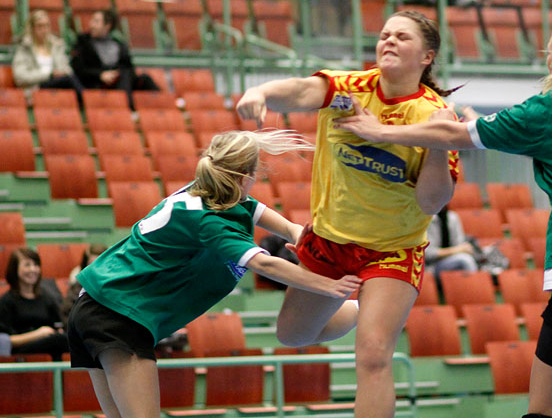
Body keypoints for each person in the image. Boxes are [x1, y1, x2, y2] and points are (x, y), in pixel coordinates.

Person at [337, 12, 552, 418]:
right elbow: (517, 132)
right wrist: (477, 120)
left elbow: (454, 137)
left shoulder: (547, 111)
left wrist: (379, 131)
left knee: (545, 414)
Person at [236, 10, 460, 418]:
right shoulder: (350, 92)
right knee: (292, 334)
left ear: (427, 56)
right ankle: (358, 310)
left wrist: (439, 143)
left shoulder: (434, 116)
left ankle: (376, 312)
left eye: (402, 37)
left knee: (374, 357)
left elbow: (432, 202)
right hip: (328, 241)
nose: (388, 40)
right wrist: (263, 92)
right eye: (384, 34)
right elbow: (303, 91)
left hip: (393, 251)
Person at [67, 130, 361, 418]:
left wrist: (303, 240)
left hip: (92, 306)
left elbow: (284, 226)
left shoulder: (211, 192)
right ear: (245, 177)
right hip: (117, 315)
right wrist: (329, 285)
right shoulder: (210, 221)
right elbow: (266, 265)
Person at [70, 10, 159, 110]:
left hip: (119, 79)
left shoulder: (118, 44)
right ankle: (127, 110)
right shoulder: (83, 42)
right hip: (97, 82)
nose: (91, 25)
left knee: (144, 78)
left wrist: (116, 74)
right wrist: (100, 75)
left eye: (96, 21)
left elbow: (129, 67)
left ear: (107, 26)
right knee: (124, 76)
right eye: (92, 20)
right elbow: (78, 68)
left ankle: (168, 109)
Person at [0, 248, 70, 361]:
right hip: (21, 350)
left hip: (50, 344)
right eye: (27, 265)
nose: (33, 269)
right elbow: (4, 341)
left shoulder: (47, 297)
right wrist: (39, 334)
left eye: (36, 265)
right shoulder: (6, 301)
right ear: (15, 269)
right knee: (58, 340)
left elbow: (57, 325)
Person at [12, 9, 84, 98]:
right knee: (70, 80)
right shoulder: (24, 47)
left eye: (46, 26)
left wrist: (60, 73)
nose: (44, 30)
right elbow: (20, 77)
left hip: (57, 85)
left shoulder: (56, 45)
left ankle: (87, 102)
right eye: (40, 26)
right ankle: (87, 101)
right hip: (36, 87)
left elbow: (66, 69)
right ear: (32, 28)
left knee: (72, 78)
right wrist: (49, 75)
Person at [60, 243, 108, 327]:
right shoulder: (76, 287)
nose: (96, 270)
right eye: (91, 265)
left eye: (100, 265)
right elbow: (67, 317)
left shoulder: (117, 287)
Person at [426, 206, 479, 276]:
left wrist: (461, 249)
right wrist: (456, 250)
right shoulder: (427, 219)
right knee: (466, 260)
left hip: (451, 261)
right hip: (432, 266)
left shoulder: (452, 217)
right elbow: (428, 254)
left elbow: (460, 246)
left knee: (468, 258)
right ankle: (475, 285)